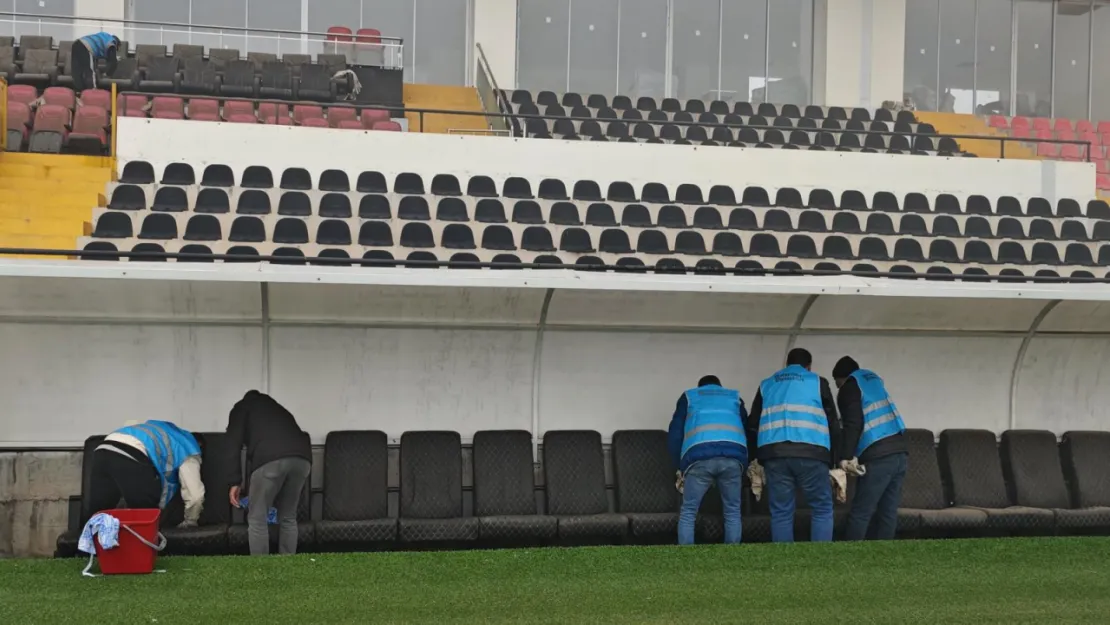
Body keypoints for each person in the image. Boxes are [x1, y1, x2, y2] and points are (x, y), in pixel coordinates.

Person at [746, 348, 841, 543]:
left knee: (781, 512)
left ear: (786, 364)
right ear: (809, 366)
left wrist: (756, 456)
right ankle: (820, 562)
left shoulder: (767, 384)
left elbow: (753, 423)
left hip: (774, 454)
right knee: (822, 508)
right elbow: (833, 422)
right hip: (812, 452)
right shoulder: (817, 382)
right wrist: (835, 460)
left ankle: (784, 564)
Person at [225, 390, 312, 555]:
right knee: (288, 517)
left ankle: (263, 569)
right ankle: (288, 565)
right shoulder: (278, 409)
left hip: (271, 459)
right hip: (303, 459)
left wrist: (234, 481)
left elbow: (232, 444)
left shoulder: (242, 408)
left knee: (257, 518)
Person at [833, 356, 908, 541]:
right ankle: (883, 559)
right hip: (900, 452)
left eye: (837, 383)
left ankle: (852, 556)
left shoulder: (849, 388)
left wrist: (845, 457)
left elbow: (853, 423)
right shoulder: (873, 383)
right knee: (888, 511)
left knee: (861, 511)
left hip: (879, 456)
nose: (838, 388)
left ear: (842, 378)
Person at [668, 375, 748, 545]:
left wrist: (680, 466)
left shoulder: (690, 397)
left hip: (699, 458)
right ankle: (732, 557)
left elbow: (675, 433)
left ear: (700, 387)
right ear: (720, 386)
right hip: (732, 458)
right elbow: (747, 429)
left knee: (689, 511)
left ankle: (686, 557)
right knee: (733, 511)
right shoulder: (734, 397)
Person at [87, 420, 205, 528]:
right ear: (198, 445)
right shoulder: (189, 446)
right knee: (145, 515)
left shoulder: (162, 429)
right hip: (132, 453)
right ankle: (142, 550)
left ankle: (84, 550)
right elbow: (195, 495)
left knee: (98, 514)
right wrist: (190, 522)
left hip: (103, 449)